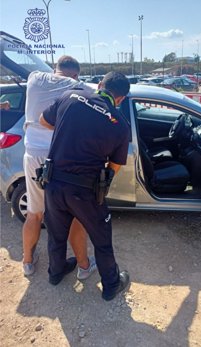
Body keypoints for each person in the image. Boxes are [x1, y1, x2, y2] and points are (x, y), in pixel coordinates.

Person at [39, 71, 130, 300]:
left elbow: (43, 120)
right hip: (85, 191)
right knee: (101, 238)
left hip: (53, 183)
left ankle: (56, 272)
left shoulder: (70, 96)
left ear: (99, 85)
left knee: (56, 233)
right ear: (121, 99)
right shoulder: (119, 123)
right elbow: (116, 164)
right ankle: (111, 285)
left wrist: (69, 132)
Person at [23, 55, 97, 279]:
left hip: (32, 155)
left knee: (34, 214)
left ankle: (27, 262)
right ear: (75, 74)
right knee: (74, 215)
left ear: (56, 68)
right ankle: (83, 267)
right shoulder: (79, 87)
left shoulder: (34, 78)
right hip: (61, 158)